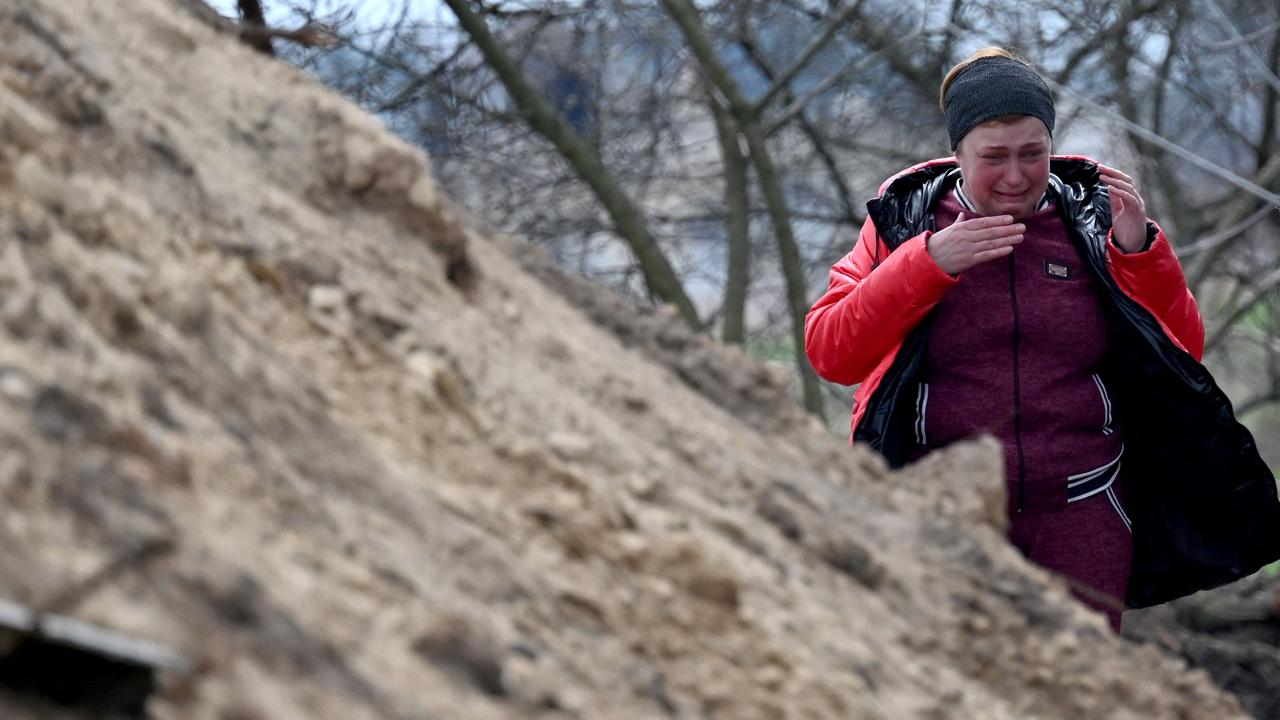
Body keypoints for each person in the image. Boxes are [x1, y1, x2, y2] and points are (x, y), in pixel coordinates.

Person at [804, 47, 1280, 632]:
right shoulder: (904, 225)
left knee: (1076, 688)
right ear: (957, 155)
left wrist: (1138, 255)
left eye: (1033, 154)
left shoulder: (1095, 221)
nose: (1015, 175)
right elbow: (830, 351)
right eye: (993, 157)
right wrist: (924, 263)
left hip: (1083, 513)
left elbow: (1184, 357)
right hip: (945, 514)